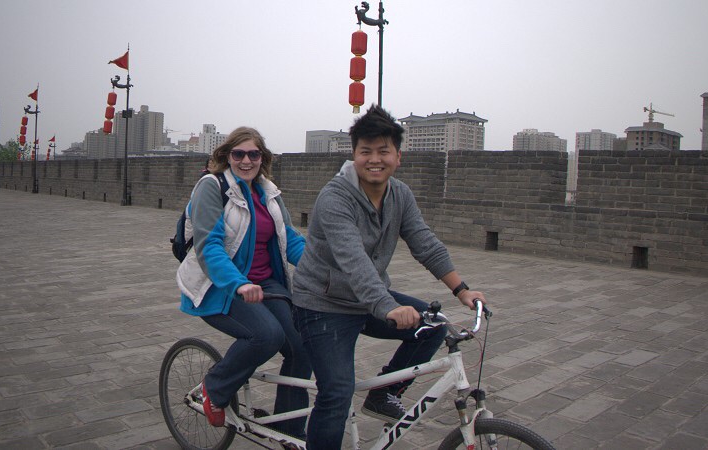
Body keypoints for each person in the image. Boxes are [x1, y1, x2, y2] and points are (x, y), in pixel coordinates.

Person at [291, 105, 487, 449]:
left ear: (399, 156)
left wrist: (461, 290)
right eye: (366, 151)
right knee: (337, 392)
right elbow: (353, 260)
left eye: (384, 151)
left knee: (434, 325)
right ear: (354, 155)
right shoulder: (334, 198)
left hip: (369, 301)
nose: (374, 159)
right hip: (322, 306)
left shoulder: (400, 194)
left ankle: (383, 394)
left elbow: (424, 243)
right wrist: (386, 306)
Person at [176, 127, 310, 438]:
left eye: (253, 154)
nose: (246, 160)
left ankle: (290, 430)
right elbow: (209, 246)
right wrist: (238, 284)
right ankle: (215, 388)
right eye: (239, 154)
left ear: (263, 159)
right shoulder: (211, 187)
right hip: (220, 286)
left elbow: (289, 239)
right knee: (266, 336)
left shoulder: (268, 192)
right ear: (227, 156)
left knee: (303, 346)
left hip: (267, 285)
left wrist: (323, 269)